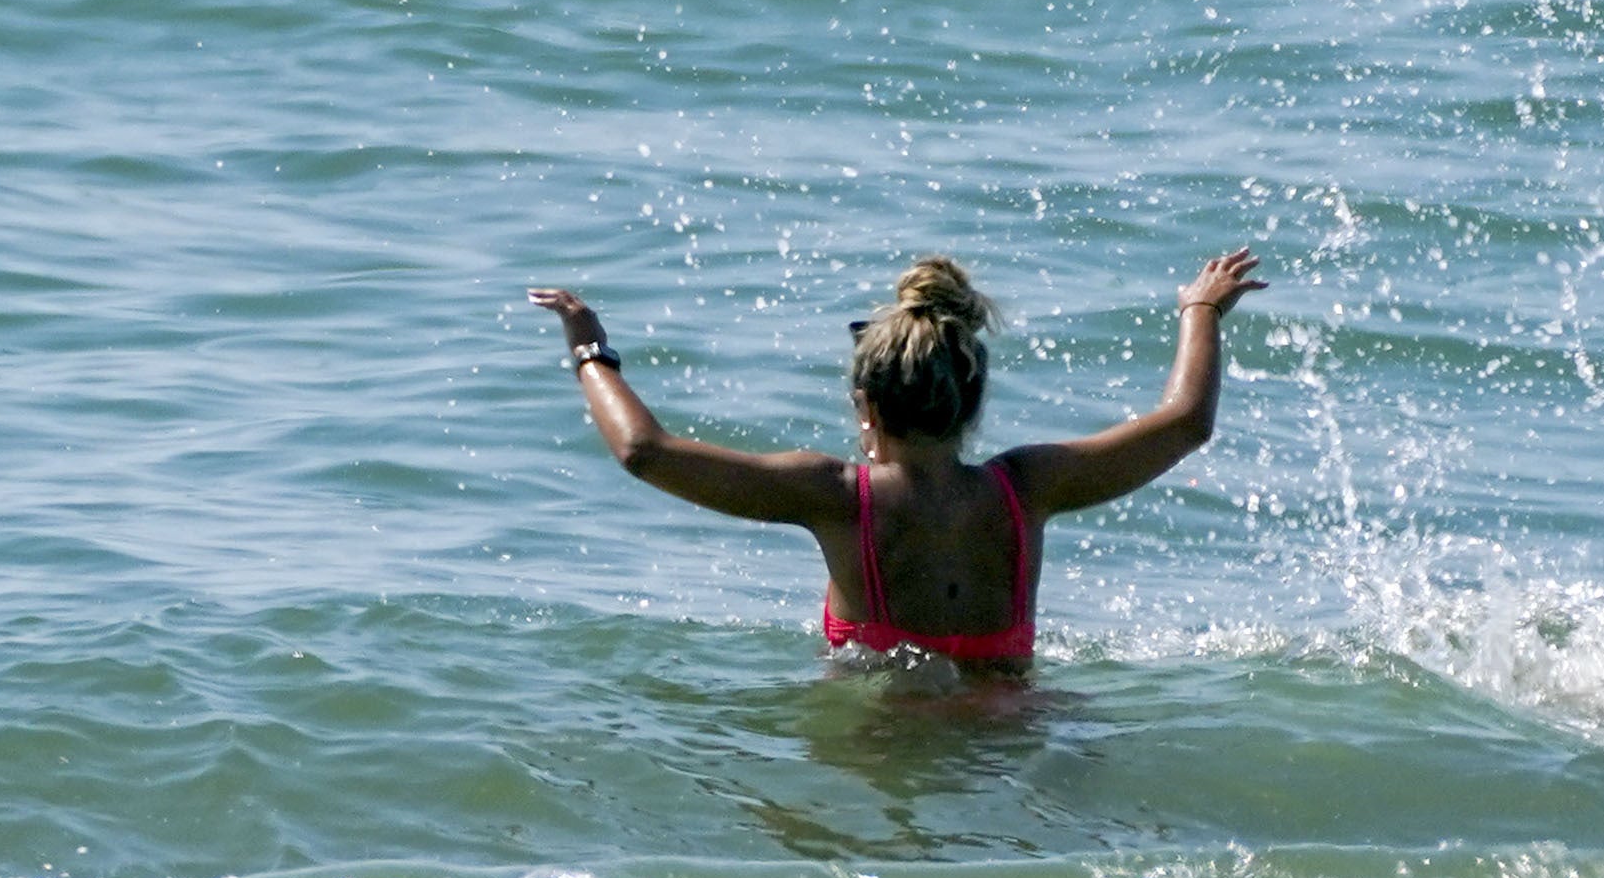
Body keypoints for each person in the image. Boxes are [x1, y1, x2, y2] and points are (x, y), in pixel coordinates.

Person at [526, 247, 1264, 674]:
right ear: (971, 398)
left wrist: (590, 348)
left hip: (886, 747)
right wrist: (1200, 310)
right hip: (1014, 743)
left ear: (866, 408)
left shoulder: (837, 497)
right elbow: (1185, 422)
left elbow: (644, 451)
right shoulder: (1027, 487)